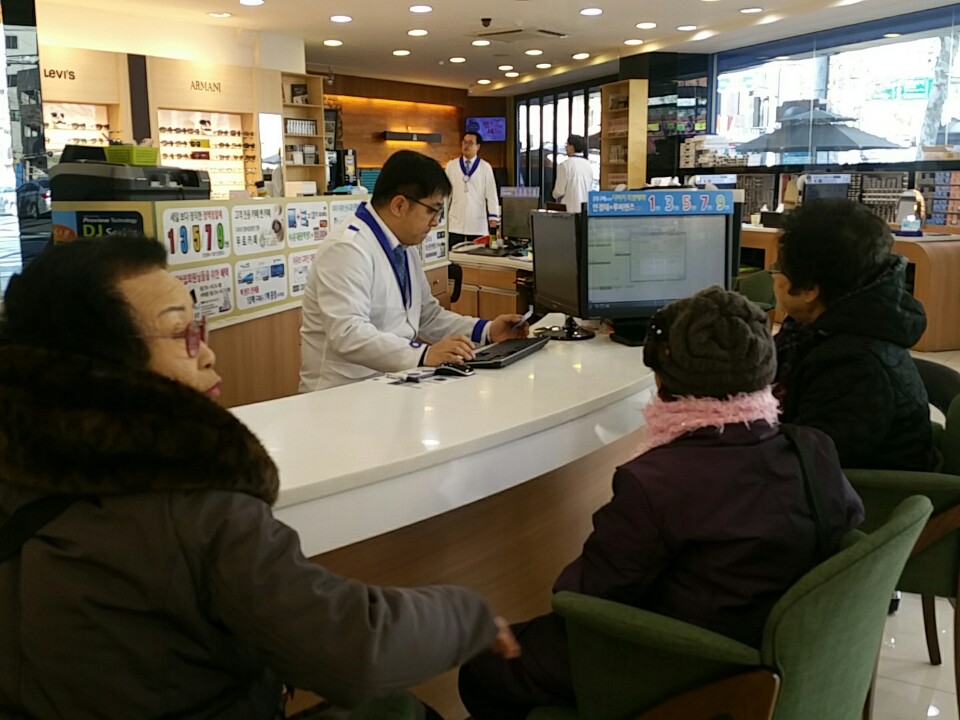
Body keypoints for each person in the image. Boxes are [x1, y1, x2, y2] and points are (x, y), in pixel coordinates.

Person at [0, 234, 520, 720]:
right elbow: (357, 646)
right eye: (181, 334)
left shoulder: (23, 467)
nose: (207, 352)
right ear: (101, 364)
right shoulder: (198, 508)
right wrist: (467, 615)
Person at [458, 286, 864, 720]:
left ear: (660, 381)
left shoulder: (654, 483)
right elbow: (847, 530)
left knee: (482, 667)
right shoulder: (813, 449)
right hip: (781, 657)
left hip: (679, 666)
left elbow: (584, 598)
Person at [300, 149, 526, 392]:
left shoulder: (404, 248)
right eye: (432, 210)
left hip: (389, 384)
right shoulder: (347, 248)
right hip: (341, 394)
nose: (435, 222)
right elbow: (347, 333)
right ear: (399, 205)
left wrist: (487, 331)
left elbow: (427, 316)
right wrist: (423, 354)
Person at [772, 198, 937, 471]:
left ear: (810, 289)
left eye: (778, 268)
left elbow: (806, 460)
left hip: (865, 491)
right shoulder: (816, 330)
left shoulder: (855, 366)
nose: (774, 276)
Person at [444, 132, 500, 247]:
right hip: (455, 223)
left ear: (478, 146)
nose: (466, 145)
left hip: (477, 224)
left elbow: (491, 194)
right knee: (453, 253)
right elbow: (446, 194)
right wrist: (441, 215)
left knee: (476, 255)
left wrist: (493, 217)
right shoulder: (451, 166)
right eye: (464, 142)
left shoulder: (485, 167)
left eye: (470, 143)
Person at [552, 135, 593, 213]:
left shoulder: (565, 165)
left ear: (572, 147)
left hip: (569, 210)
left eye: (567, 145)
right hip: (585, 210)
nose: (566, 147)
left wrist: (554, 194)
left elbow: (559, 191)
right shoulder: (588, 165)